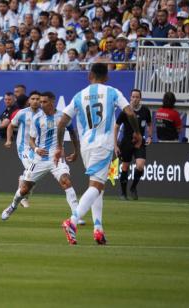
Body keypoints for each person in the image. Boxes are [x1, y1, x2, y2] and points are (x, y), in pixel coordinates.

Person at [55, 63, 142, 245]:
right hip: (103, 144)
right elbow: (130, 114)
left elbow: (62, 122)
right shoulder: (112, 92)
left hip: (87, 145)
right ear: (107, 76)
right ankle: (72, 221)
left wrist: (58, 147)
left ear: (90, 75)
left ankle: (98, 230)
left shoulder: (80, 95)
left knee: (97, 187)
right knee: (96, 186)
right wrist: (137, 132)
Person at [1, 92, 81, 224]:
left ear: (52, 102)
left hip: (56, 157)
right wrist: (37, 149)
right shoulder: (37, 118)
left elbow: (73, 132)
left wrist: (76, 151)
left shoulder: (63, 117)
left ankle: (77, 214)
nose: (41, 104)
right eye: (40, 101)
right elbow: (31, 140)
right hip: (40, 158)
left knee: (66, 181)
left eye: (44, 102)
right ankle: (12, 206)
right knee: (24, 189)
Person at [4, 91, 42, 208]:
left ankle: (22, 184)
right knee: (31, 169)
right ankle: (24, 197)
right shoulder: (22, 113)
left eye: (37, 99)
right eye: (33, 99)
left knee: (32, 172)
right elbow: (11, 125)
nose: (35, 101)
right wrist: (9, 140)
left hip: (36, 148)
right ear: (29, 101)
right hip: (23, 147)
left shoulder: (43, 114)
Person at [114, 89, 152, 200]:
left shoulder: (145, 111)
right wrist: (116, 145)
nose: (135, 99)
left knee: (140, 165)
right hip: (126, 142)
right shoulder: (126, 111)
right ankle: (123, 193)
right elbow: (116, 127)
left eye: (137, 97)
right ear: (130, 98)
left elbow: (149, 124)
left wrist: (149, 136)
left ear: (140, 98)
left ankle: (133, 187)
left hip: (140, 142)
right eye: (133, 97)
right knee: (125, 167)